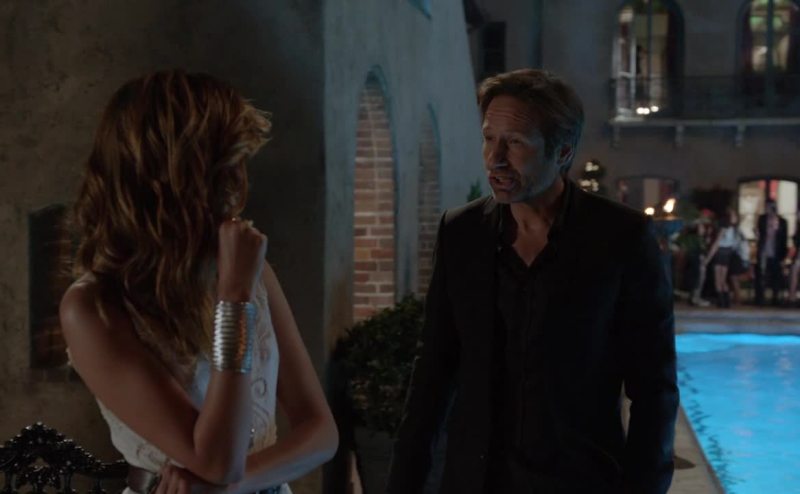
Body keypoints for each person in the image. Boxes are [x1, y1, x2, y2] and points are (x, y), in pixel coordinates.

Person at [387, 69, 678, 493]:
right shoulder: (461, 233)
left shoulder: (621, 238)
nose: (495, 158)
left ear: (562, 152)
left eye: (515, 143)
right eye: (489, 138)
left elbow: (654, 389)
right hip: (476, 481)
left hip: (580, 482)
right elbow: (432, 371)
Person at [60, 70, 338, 494]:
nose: (238, 185)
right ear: (177, 177)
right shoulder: (92, 308)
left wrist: (233, 488)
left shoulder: (252, 272)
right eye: (226, 167)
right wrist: (234, 299)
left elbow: (321, 432)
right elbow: (218, 460)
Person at [704, 209, 745, 308]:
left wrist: (708, 258)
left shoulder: (724, 229)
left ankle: (722, 302)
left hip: (720, 253)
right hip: (727, 254)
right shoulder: (734, 230)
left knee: (718, 280)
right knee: (723, 280)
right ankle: (726, 302)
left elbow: (716, 244)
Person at [755, 199, 788, 306]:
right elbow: (759, 234)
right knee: (761, 275)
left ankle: (775, 298)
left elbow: (783, 239)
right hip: (764, 251)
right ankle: (760, 298)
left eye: (769, 207)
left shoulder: (782, 222)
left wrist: (783, 256)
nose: (767, 209)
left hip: (776, 251)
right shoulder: (762, 219)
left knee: (776, 275)